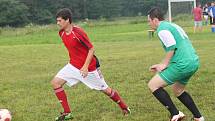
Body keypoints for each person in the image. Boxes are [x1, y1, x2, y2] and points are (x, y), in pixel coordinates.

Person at [51, 8, 130, 121]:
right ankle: (67, 113)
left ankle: (124, 107)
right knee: (55, 83)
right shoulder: (61, 33)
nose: (57, 23)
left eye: (59, 21)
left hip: (89, 69)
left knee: (105, 90)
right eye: (57, 21)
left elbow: (91, 49)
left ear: (67, 20)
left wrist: (85, 66)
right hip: (73, 66)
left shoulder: (78, 32)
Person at [147, 7, 204, 121]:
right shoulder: (172, 25)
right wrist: (165, 64)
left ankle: (175, 113)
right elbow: (180, 44)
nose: (148, 24)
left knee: (153, 85)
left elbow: (172, 47)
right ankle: (198, 117)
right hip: (193, 61)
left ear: (155, 20)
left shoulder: (161, 29)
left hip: (182, 64)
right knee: (178, 90)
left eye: (149, 21)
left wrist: (163, 65)